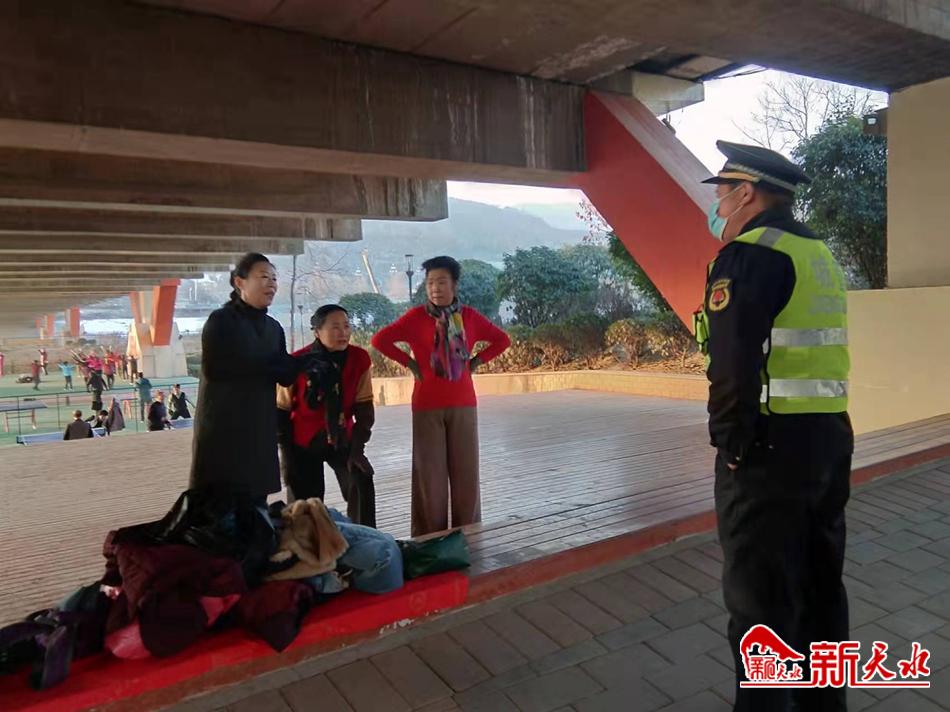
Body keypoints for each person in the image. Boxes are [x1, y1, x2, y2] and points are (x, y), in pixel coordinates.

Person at [693, 141, 853, 712]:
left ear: (746, 193)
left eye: (722, 194)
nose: (718, 207)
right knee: (819, 584)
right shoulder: (816, 252)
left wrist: (731, 445)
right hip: (827, 438)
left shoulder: (749, 255)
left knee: (760, 598)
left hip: (768, 446)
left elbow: (733, 362)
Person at [372, 256, 511, 536]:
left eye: (442, 282)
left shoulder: (469, 317)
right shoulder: (415, 318)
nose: (435, 288)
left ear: (455, 285)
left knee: (466, 474)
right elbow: (380, 340)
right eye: (430, 283)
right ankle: (429, 537)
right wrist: (410, 363)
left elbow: (502, 340)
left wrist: (476, 362)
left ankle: (468, 534)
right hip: (427, 406)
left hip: (463, 404)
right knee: (430, 477)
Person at [189, 252, 296, 504]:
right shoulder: (221, 321)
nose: (271, 284)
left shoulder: (273, 327)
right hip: (223, 428)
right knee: (220, 506)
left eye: (274, 278)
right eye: (263, 277)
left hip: (260, 426)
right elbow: (215, 369)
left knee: (256, 504)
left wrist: (304, 363)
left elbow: (284, 375)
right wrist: (271, 366)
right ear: (240, 282)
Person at [278, 305, 377, 526]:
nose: (343, 333)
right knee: (305, 506)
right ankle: (309, 545)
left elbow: (364, 408)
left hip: (342, 437)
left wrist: (357, 450)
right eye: (335, 327)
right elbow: (281, 410)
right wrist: (287, 455)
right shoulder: (297, 361)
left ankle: (367, 538)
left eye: (346, 326)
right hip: (303, 441)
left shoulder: (359, 358)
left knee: (360, 479)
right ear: (317, 332)